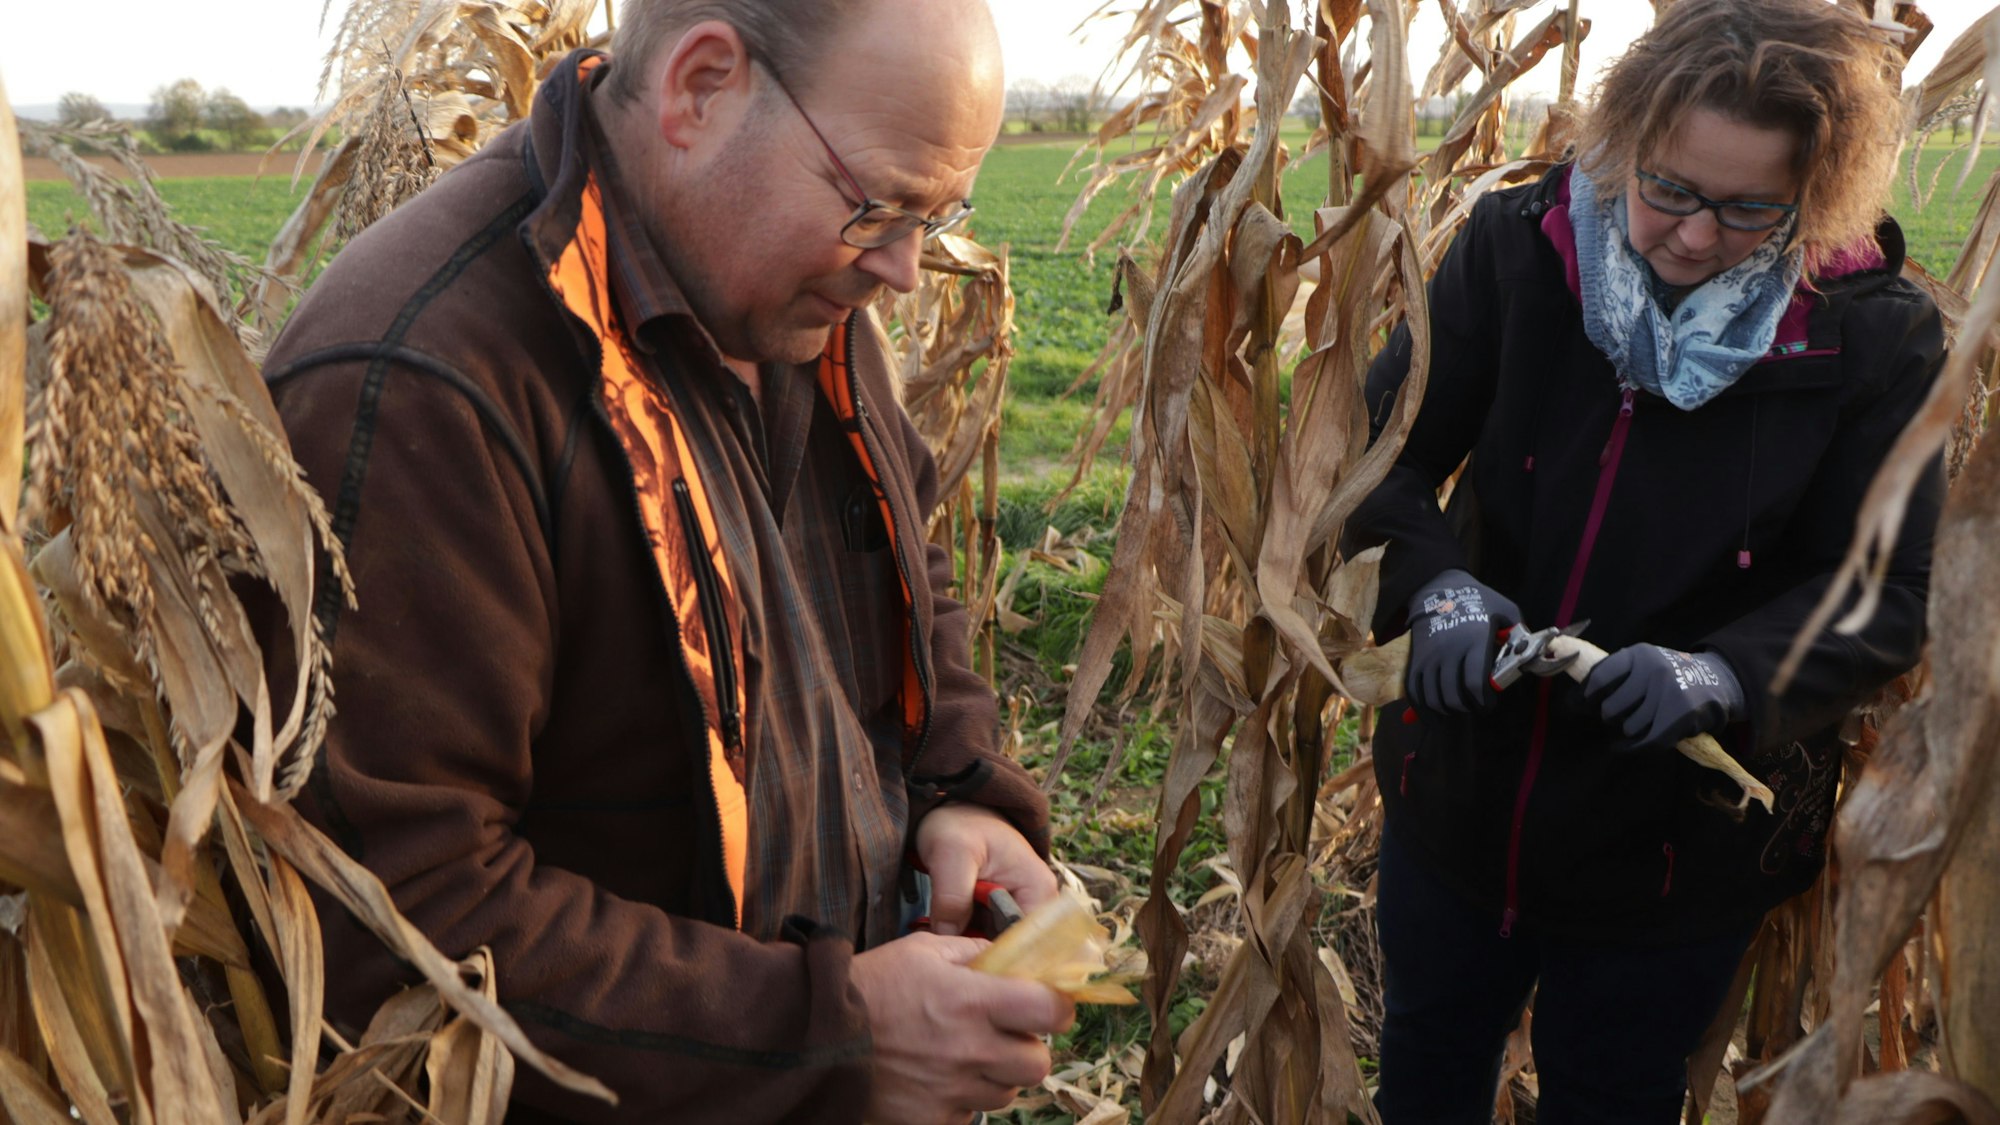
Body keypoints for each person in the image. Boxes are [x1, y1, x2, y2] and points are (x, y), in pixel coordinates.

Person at [256, 0, 1074, 1121]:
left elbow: (896, 567)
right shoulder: (423, 385)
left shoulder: (787, 296)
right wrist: (829, 1041)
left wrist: (957, 794)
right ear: (701, 86)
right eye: (880, 206)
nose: (904, 270)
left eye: (935, 217)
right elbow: (390, 920)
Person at [1344, 1, 1942, 1121]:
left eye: (1747, 208)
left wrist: (1722, 677)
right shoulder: (1515, 250)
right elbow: (1373, 463)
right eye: (1665, 188)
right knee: (1426, 1065)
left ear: (1813, 197)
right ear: (1620, 144)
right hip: (1455, 798)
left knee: (1612, 1094)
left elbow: (1880, 591)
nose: (1693, 236)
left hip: (1674, 854)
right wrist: (1434, 587)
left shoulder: (1871, 336)